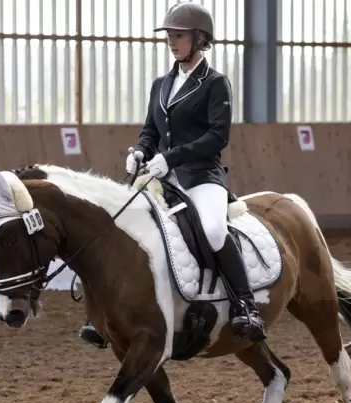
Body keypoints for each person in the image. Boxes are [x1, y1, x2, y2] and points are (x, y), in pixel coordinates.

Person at [78, 2, 266, 348]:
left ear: (199, 38)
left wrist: (172, 157)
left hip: (200, 175)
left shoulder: (215, 84)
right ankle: (103, 313)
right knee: (124, 224)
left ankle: (245, 305)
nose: (172, 42)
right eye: (169, 36)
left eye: (178, 36)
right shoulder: (161, 85)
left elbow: (216, 137)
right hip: (160, 176)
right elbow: (151, 130)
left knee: (212, 230)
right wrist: (139, 152)